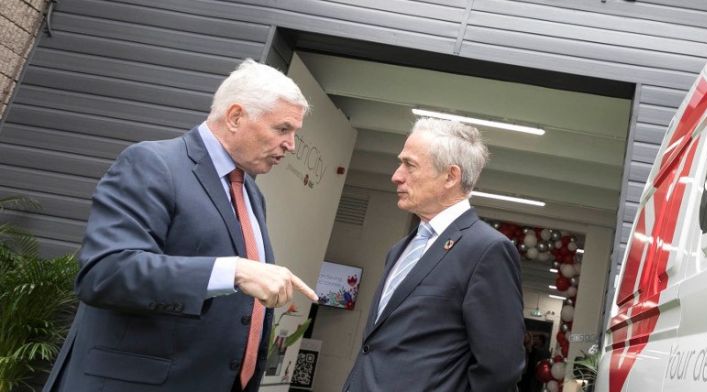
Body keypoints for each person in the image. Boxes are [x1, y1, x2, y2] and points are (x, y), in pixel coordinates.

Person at [44, 58, 319, 392]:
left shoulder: (251, 194)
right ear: (235, 117)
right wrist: (232, 271)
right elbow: (105, 273)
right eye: (282, 129)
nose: (290, 145)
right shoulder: (153, 164)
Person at [342, 118, 525, 392]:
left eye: (410, 165)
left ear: (451, 176)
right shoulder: (400, 250)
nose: (396, 175)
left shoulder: (487, 250)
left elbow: (501, 368)